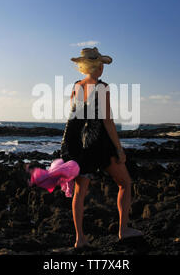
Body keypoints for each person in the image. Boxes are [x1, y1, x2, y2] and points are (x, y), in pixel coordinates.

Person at [60, 47, 142, 248]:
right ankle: (123, 230)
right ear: (96, 65)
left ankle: (80, 239)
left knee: (80, 192)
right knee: (125, 183)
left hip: (77, 144)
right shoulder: (102, 87)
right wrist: (119, 149)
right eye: (102, 64)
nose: (103, 67)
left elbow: (74, 118)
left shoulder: (76, 86)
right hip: (99, 144)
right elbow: (108, 122)